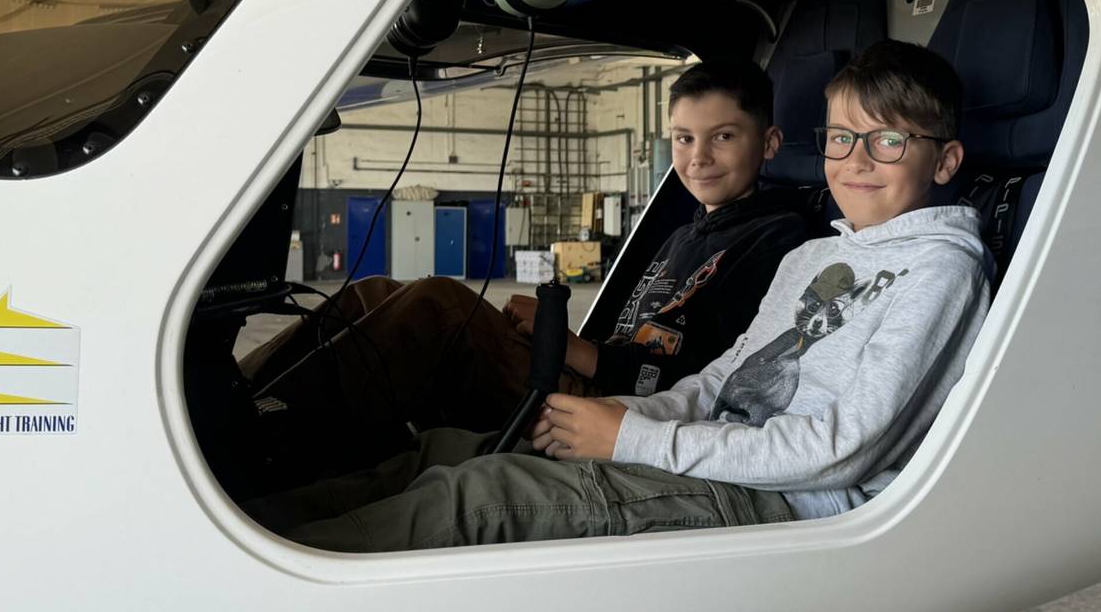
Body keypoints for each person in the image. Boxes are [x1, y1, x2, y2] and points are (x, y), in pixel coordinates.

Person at [252, 39, 991, 552]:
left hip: (792, 504)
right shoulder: (815, 254)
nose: (856, 161)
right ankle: (244, 520)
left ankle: (255, 579)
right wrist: (622, 418)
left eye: (887, 141)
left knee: (477, 498)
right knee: (448, 451)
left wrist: (630, 433)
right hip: (708, 455)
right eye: (840, 138)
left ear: (946, 159)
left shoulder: (940, 270)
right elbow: (716, 380)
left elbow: (839, 452)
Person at [237, 58, 815, 456]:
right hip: (593, 373)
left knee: (438, 307)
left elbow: (718, 375)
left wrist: (574, 351)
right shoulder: (689, 231)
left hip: (629, 411)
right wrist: (556, 338)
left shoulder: (780, 242)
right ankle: (240, 392)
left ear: (767, 143)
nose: (698, 158)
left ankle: (264, 431)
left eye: (724, 137)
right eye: (684, 138)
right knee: (377, 291)